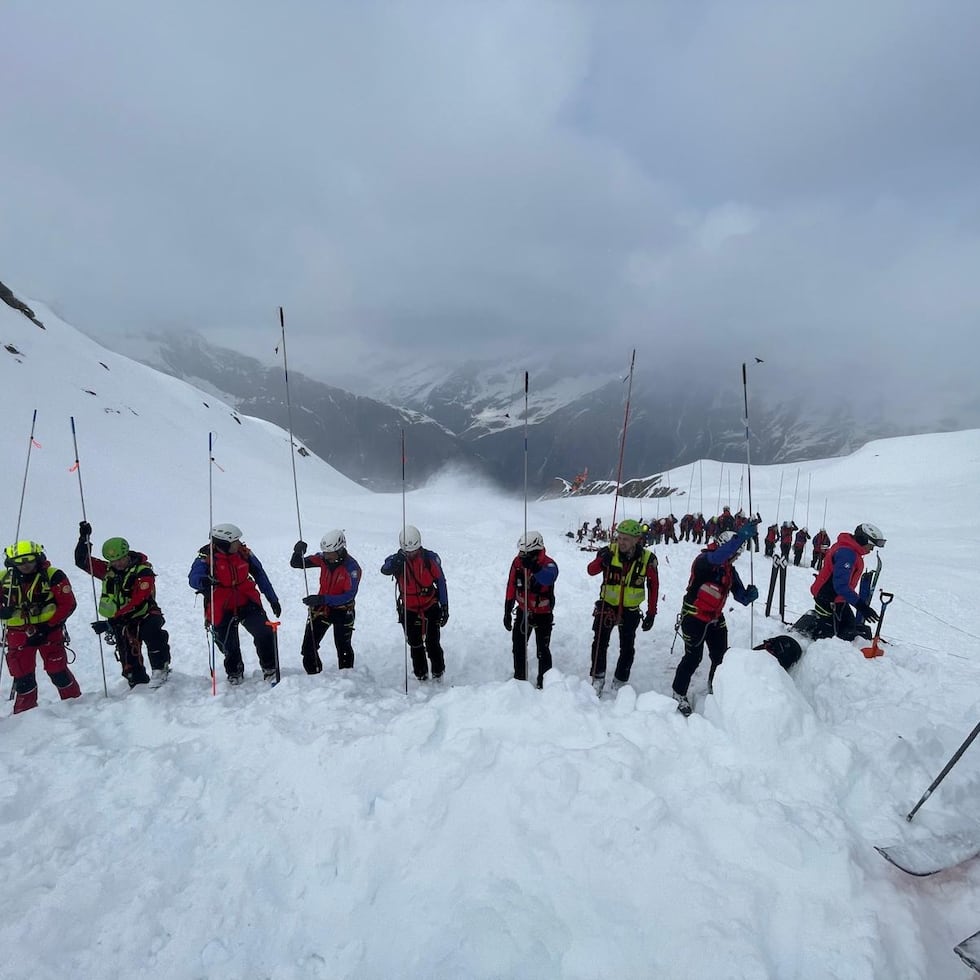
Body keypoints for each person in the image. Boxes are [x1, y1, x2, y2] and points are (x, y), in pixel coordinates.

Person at [671, 523, 760, 717]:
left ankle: (715, 688)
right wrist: (741, 537)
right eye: (735, 554)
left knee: (720, 657)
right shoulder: (704, 560)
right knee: (693, 657)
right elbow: (718, 557)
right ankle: (678, 693)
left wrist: (749, 595)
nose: (736, 558)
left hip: (715, 619)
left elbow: (740, 596)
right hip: (694, 617)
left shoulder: (729, 570)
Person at [75, 522, 172, 688]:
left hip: (144, 614)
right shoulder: (108, 571)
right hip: (121, 620)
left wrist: (111, 623)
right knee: (128, 658)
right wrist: (84, 539)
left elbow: (138, 600)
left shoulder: (143, 572)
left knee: (153, 633)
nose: (118, 563)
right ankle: (137, 683)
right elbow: (82, 562)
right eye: (113, 560)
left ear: (127, 554)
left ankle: (160, 669)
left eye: (121, 559)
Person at [188, 523, 281, 685]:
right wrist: (203, 581)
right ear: (223, 543)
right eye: (234, 541)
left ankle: (270, 668)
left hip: (247, 600)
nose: (239, 543)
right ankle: (234, 672)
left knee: (264, 632)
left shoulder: (243, 553)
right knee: (228, 644)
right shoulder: (206, 558)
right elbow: (193, 578)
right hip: (221, 606)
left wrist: (273, 599)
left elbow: (260, 575)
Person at [1, 540, 81, 713]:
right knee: (22, 676)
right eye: (19, 561)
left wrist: (47, 627)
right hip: (17, 633)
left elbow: (68, 604)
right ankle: (24, 714)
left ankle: (76, 706)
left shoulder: (53, 575)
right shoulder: (3, 578)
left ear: (37, 557)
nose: (25, 565)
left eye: (29, 559)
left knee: (57, 670)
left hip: (49, 631)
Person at [586, 518, 658, 697]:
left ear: (636, 540)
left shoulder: (648, 559)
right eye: (619, 538)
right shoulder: (608, 551)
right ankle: (598, 677)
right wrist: (602, 561)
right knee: (599, 642)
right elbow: (591, 570)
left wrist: (651, 613)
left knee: (627, 646)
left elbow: (654, 586)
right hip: (607, 605)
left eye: (626, 539)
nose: (621, 542)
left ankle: (620, 679)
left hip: (631, 610)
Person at [381, 525, 448, 682]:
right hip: (409, 608)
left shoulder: (429, 559)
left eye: (414, 551)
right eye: (408, 551)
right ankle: (421, 674)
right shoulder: (397, 560)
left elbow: (441, 582)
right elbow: (385, 569)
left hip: (430, 605)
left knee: (433, 642)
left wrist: (444, 606)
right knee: (415, 643)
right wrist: (397, 562)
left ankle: (438, 673)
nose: (411, 554)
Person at [291, 530, 361, 673]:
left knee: (343, 646)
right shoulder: (322, 559)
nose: (326, 556)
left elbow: (349, 595)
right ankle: (314, 675)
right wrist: (297, 552)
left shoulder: (352, 568)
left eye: (330, 553)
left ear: (340, 550)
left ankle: (347, 677)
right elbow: (297, 563)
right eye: (325, 552)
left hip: (343, 611)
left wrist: (323, 599)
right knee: (308, 647)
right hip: (322, 609)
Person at [808, 523, 886, 641]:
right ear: (863, 540)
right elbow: (841, 586)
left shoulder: (850, 550)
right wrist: (862, 606)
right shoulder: (847, 554)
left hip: (838, 599)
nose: (871, 550)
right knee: (829, 637)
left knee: (849, 629)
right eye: (871, 546)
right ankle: (814, 645)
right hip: (828, 598)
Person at [503, 531, 559, 688]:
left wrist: (534, 568)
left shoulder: (549, 564)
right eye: (520, 552)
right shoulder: (517, 563)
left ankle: (545, 683)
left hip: (543, 614)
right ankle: (519, 679)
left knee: (543, 650)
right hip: (523, 612)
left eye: (524, 552)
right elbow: (511, 585)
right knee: (518, 646)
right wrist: (507, 610)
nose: (521, 555)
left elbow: (549, 578)